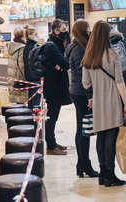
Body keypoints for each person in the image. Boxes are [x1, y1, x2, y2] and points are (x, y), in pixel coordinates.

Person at [82, 20, 126, 187]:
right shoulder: (112, 54)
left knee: (101, 135)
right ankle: (110, 174)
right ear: (107, 34)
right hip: (113, 100)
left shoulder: (88, 56)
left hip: (98, 102)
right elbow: (120, 82)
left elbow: (85, 84)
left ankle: (103, 174)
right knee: (111, 136)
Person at [65, 19, 99, 178]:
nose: (90, 31)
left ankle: (82, 164)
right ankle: (85, 164)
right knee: (84, 129)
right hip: (81, 93)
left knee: (82, 128)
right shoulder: (79, 49)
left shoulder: (74, 46)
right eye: (87, 28)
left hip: (77, 92)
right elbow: (82, 75)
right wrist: (89, 96)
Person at [43, 19, 71, 155]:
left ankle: (52, 142)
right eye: (64, 29)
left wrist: (61, 63)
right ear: (56, 30)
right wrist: (62, 63)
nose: (66, 32)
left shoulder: (56, 44)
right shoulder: (52, 46)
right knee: (52, 117)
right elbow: (66, 63)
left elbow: (63, 63)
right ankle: (50, 146)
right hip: (53, 87)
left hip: (54, 86)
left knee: (53, 117)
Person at [110, 31, 126, 100]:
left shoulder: (104, 44)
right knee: (123, 103)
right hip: (124, 79)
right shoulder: (124, 44)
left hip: (110, 80)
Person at [8, 27, 28, 103]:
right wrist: (24, 78)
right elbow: (21, 65)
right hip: (19, 77)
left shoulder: (11, 46)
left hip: (12, 76)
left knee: (17, 100)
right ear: (23, 35)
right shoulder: (22, 47)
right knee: (21, 100)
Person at [23, 26, 41, 109]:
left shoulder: (28, 47)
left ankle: (31, 115)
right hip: (34, 77)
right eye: (35, 34)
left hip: (29, 76)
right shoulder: (32, 47)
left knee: (31, 99)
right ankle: (34, 117)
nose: (37, 36)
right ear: (30, 35)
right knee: (35, 100)